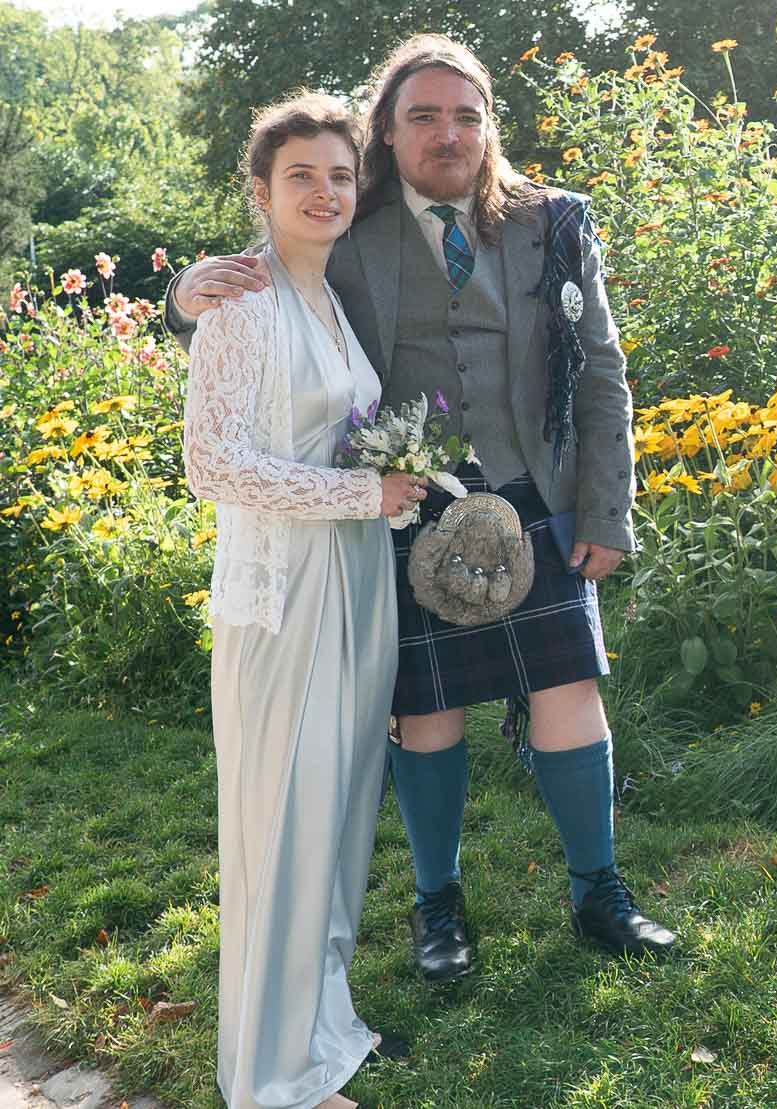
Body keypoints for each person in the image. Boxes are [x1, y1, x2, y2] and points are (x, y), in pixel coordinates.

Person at [169, 34, 676, 980]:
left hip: (534, 493)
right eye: (424, 116)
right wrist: (180, 294)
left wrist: (608, 510)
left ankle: (598, 889)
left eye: (466, 116)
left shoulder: (554, 221)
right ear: (386, 132)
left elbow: (602, 372)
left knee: (570, 694)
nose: (449, 133)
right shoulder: (347, 218)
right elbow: (258, 279)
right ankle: (437, 905)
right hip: (405, 504)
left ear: (489, 128)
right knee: (427, 713)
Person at [183, 92, 424, 1109]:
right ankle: (271, 1078)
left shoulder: (328, 295)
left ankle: (316, 1034)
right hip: (282, 593)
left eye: (339, 174)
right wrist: (358, 493)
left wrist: (382, 492)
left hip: (354, 578)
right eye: (300, 176)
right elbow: (211, 463)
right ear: (259, 191)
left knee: (333, 816)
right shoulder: (240, 300)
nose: (324, 192)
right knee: (283, 821)